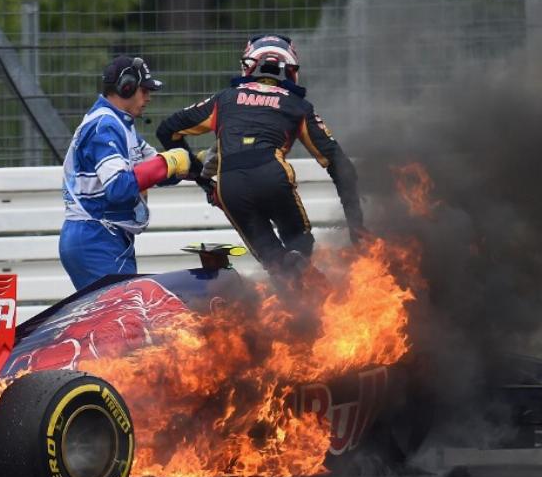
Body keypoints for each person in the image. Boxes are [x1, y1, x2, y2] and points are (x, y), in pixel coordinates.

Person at [155, 34, 365, 279]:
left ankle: (289, 306)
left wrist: (199, 176)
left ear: (248, 64)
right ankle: (313, 304)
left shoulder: (224, 99)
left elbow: (167, 129)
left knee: (276, 262)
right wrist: (357, 228)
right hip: (272, 176)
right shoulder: (298, 106)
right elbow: (341, 166)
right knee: (300, 248)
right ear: (291, 68)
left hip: (230, 185)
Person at [60, 55, 195, 291]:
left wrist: (199, 164)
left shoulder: (122, 125)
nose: (149, 97)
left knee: (116, 321)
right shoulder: (105, 125)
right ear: (126, 87)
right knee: (119, 324)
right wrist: (169, 162)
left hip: (105, 236)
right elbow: (119, 188)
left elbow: (155, 169)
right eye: (144, 90)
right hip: (95, 237)